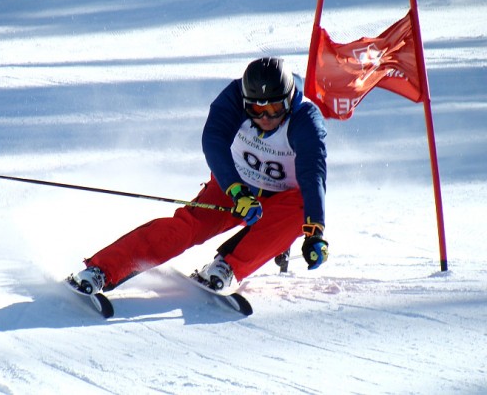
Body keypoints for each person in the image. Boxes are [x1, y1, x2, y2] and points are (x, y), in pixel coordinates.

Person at [73, 57, 329, 294]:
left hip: (280, 200)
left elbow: (312, 174)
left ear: (289, 99)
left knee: (300, 210)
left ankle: (227, 268)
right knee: (186, 228)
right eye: (256, 108)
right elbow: (214, 141)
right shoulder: (234, 97)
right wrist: (236, 190)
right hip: (233, 187)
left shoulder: (306, 120)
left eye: (274, 107)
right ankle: (101, 270)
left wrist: (315, 231)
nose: (265, 117)